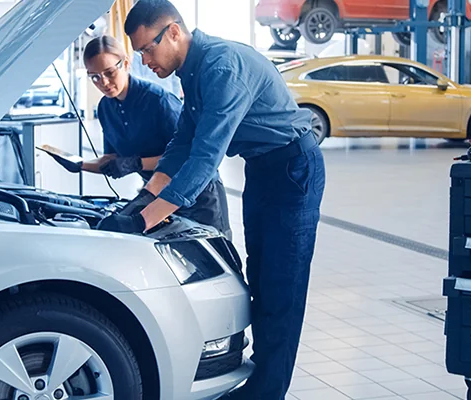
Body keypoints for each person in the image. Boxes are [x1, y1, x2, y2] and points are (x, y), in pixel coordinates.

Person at [100, 1, 326, 398]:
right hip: (263, 169)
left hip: (293, 170)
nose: (144, 61)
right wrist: (143, 199)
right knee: (260, 278)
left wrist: (146, 218)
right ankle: (260, 381)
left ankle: (267, 392)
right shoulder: (193, 70)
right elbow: (183, 141)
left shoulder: (221, 68)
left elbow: (207, 155)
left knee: (281, 286)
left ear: (173, 32)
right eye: (138, 55)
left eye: (147, 50)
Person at [47, 35, 230, 237]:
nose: (104, 82)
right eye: (95, 77)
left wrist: (136, 163)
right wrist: (80, 165)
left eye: (109, 72)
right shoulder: (106, 108)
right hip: (153, 193)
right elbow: (113, 159)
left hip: (197, 193)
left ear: (125, 63)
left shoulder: (158, 101)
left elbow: (187, 156)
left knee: (212, 254)